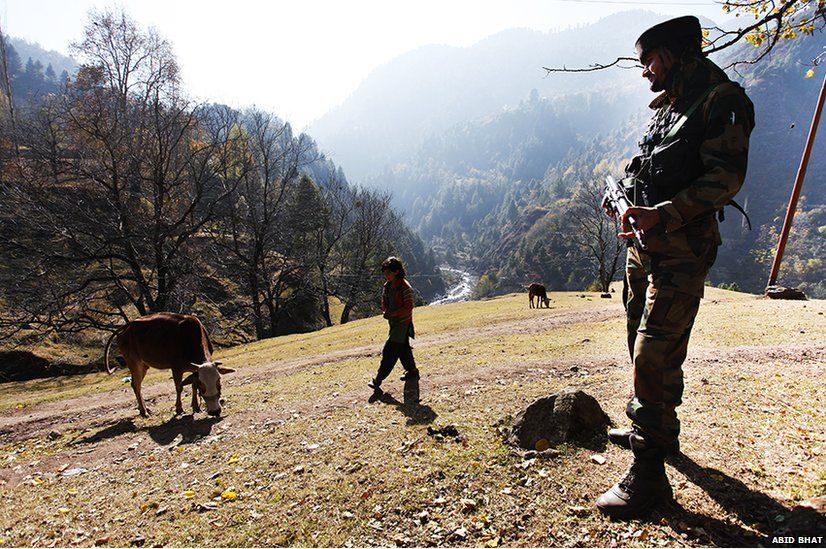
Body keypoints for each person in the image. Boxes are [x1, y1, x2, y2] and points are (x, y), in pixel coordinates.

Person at [597, 15, 754, 518]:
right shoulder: (667, 107)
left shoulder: (722, 101)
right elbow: (648, 168)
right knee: (636, 337)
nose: (645, 71)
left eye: (649, 60)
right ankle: (657, 429)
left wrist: (660, 215)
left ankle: (647, 478)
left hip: (682, 249)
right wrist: (623, 202)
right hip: (643, 248)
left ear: (674, 54)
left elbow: (724, 181)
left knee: (654, 353)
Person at [368, 256, 420, 392]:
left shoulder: (404, 287)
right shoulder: (387, 286)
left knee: (390, 350)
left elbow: (408, 307)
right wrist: (385, 311)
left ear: (396, 271)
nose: (386, 276)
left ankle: (378, 379)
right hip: (393, 323)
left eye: (388, 273)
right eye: (385, 273)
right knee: (403, 349)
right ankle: (412, 371)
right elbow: (384, 302)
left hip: (403, 323)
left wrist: (394, 314)